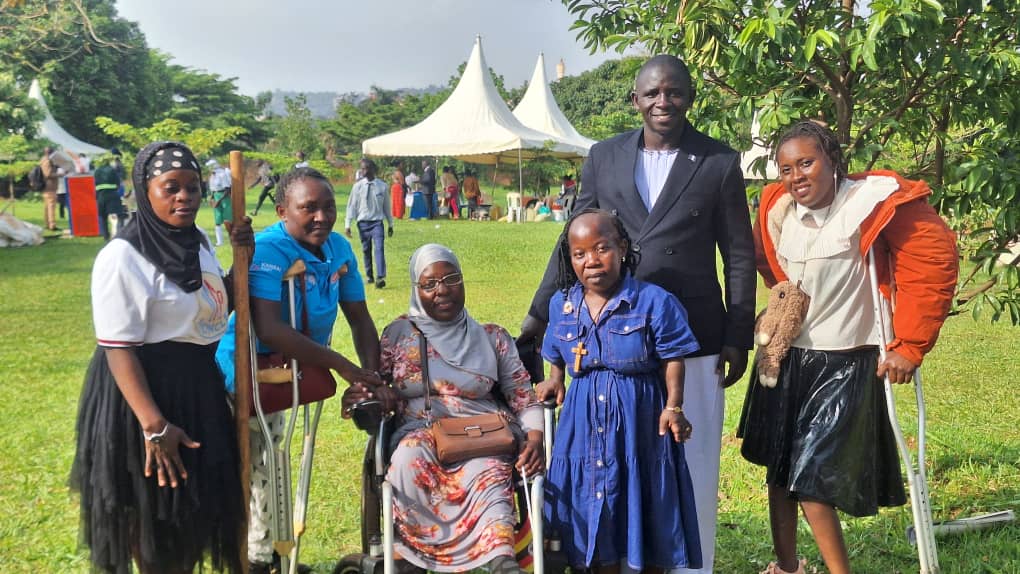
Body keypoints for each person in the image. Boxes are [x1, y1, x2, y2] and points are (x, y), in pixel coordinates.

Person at [520, 54, 756, 574]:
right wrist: (541, 314)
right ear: (636, 100)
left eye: (673, 92)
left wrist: (738, 333)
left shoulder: (717, 161)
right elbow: (571, 243)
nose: (662, 102)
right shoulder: (603, 157)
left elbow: (739, 252)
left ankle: (692, 566)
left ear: (690, 97)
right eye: (651, 93)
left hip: (690, 336)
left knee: (687, 461)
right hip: (608, 334)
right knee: (620, 461)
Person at [737, 120, 958, 574]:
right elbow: (772, 268)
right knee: (779, 474)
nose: (796, 176)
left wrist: (911, 345)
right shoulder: (778, 210)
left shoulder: (870, 202)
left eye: (806, 162)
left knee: (813, 481)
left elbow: (931, 259)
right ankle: (786, 567)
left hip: (845, 362)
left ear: (833, 159)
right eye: (785, 168)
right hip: (788, 358)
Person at [70, 141, 251, 574]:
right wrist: (154, 427)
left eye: (192, 187)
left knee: (194, 516)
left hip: (198, 388)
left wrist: (242, 259)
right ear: (144, 191)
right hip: (144, 399)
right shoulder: (122, 256)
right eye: (171, 187)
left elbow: (207, 306)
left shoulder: (199, 242)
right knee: (156, 524)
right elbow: (118, 348)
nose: (184, 197)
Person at [215, 166, 386, 574]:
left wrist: (371, 377)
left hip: (292, 372)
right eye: (308, 208)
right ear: (282, 210)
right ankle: (259, 558)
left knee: (271, 460)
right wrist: (343, 366)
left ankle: (270, 553)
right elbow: (270, 328)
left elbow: (360, 319)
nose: (321, 217)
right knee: (261, 461)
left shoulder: (339, 248)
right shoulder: (269, 249)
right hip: (249, 371)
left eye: (328, 207)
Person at [538, 209, 702, 572]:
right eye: (579, 254)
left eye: (601, 248)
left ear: (622, 248)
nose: (591, 261)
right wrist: (554, 379)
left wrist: (673, 405)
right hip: (580, 425)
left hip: (639, 422)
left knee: (645, 510)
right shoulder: (561, 304)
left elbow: (672, 358)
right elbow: (555, 351)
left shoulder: (654, 302)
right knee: (589, 513)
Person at [370, 243, 544, 573]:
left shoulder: (493, 337)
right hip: (419, 430)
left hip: (482, 433)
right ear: (415, 288)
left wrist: (535, 437)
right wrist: (376, 394)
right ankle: (410, 559)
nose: (443, 290)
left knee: (489, 468)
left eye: (451, 278)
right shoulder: (399, 333)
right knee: (409, 458)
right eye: (430, 283)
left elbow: (522, 393)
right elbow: (379, 386)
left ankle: (501, 560)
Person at [345, 158, 394, 289]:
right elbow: (352, 205)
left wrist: (390, 224)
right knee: (366, 249)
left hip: (377, 222)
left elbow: (387, 207)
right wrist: (347, 224)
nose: (363, 171)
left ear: (373, 169)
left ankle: (380, 277)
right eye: (362, 168)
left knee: (379, 248)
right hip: (362, 223)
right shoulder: (358, 187)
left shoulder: (382, 186)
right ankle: (369, 275)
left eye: (366, 168)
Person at [94, 154, 125, 241]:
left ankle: (105, 235)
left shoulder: (97, 171)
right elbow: (118, 183)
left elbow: (95, 183)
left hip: (100, 195)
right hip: (112, 194)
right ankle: (120, 234)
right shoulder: (112, 170)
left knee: (103, 217)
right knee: (120, 214)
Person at [206, 159, 232, 246]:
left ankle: (232, 239)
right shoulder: (212, 176)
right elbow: (213, 189)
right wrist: (212, 198)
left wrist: (219, 201)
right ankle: (219, 242)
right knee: (217, 220)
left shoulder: (222, 174)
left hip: (224, 197)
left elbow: (227, 189)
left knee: (228, 219)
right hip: (216, 196)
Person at [38, 147, 64, 231]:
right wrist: (59, 174)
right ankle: (52, 225)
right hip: (49, 187)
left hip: (48, 187)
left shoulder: (44, 159)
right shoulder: (47, 161)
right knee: (51, 206)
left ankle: (48, 224)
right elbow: (48, 174)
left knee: (47, 206)